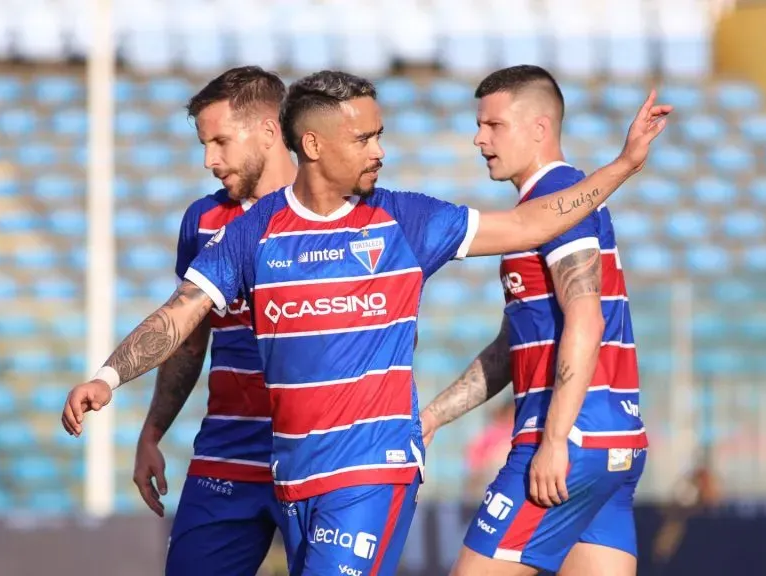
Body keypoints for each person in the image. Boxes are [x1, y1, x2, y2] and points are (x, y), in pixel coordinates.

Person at [60, 69, 670, 576]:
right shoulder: (254, 232)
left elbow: (531, 225)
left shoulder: (406, 220)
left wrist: (623, 165)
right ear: (315, 145)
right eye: (365, 138)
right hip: (291, 476)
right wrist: (108, 377)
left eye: (380, 135)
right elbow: (180, 317)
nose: (380, 150)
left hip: (371, 476)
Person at [421, 65, 648, 576]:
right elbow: (511, 347)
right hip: (614, 445)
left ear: (540, 128)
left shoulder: (558, 199)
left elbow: (585, 318)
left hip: (569, 438)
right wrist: (434, 415)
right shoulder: (548, 209)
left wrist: (553, 439)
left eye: (494, 126)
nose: (480, 139)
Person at [131, 66, 297, 576]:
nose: (209, 160)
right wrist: (153, 430)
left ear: (269, 130)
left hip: (315, 453)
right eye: (205, 144)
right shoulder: (203, 221)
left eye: (221, 141)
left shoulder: (342, 214)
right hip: (227, 450)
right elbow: (187, 339)